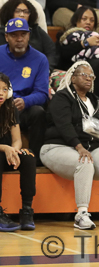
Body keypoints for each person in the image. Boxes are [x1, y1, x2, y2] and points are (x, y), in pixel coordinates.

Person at [40, 61, 99, 230]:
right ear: (73, 78)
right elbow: (64, 126)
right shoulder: (63, 97)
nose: (88, 79)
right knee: (84, 162)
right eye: (84, 75)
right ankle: (81, 214)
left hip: (89, 147)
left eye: (91, 76)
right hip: (56, 147)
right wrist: (79, 146)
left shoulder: (96, 101)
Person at [0, 17, 48, 165]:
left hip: (22, 107)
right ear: (6, 37)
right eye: (14, 35)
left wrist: (26, 101)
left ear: (29, 35)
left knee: (38, 112)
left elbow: (42, 93)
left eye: (23, 34)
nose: (19, 39)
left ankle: (35, 160)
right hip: (1, 106)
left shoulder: (40, 59)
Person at [0, 72, 36, 232]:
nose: (1, 92)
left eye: (4, 89)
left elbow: (17, 138)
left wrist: (15, 150)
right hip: (2, 152)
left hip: (7, 153)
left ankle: (27, 210)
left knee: (28, 157)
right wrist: (5, 148)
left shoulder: (10, 108)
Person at [58, 6, 99, 91]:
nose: (88, 22)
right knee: (98, 64)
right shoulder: (68, 36)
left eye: (92, 20)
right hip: (83, 68)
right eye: (84, 19)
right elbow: (64, 54)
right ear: (76, 21)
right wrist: (85, 43)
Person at [0, 0, 57, 70]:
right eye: (18, 11)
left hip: (36, 69)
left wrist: (45, 69)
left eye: (25, 12)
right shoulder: (2, 32)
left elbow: (51, 52)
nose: (22, 15)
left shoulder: (37, 30)